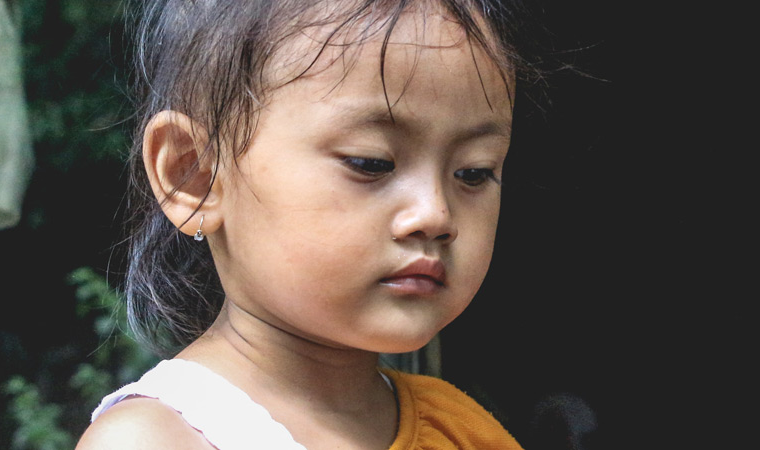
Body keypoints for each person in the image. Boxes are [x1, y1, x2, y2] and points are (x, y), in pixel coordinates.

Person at [77, 0, 543, 448]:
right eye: (371, 162)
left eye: (473, 172)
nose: (435, 214)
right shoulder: (156, 440)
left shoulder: (462, 429)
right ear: (194, 176)